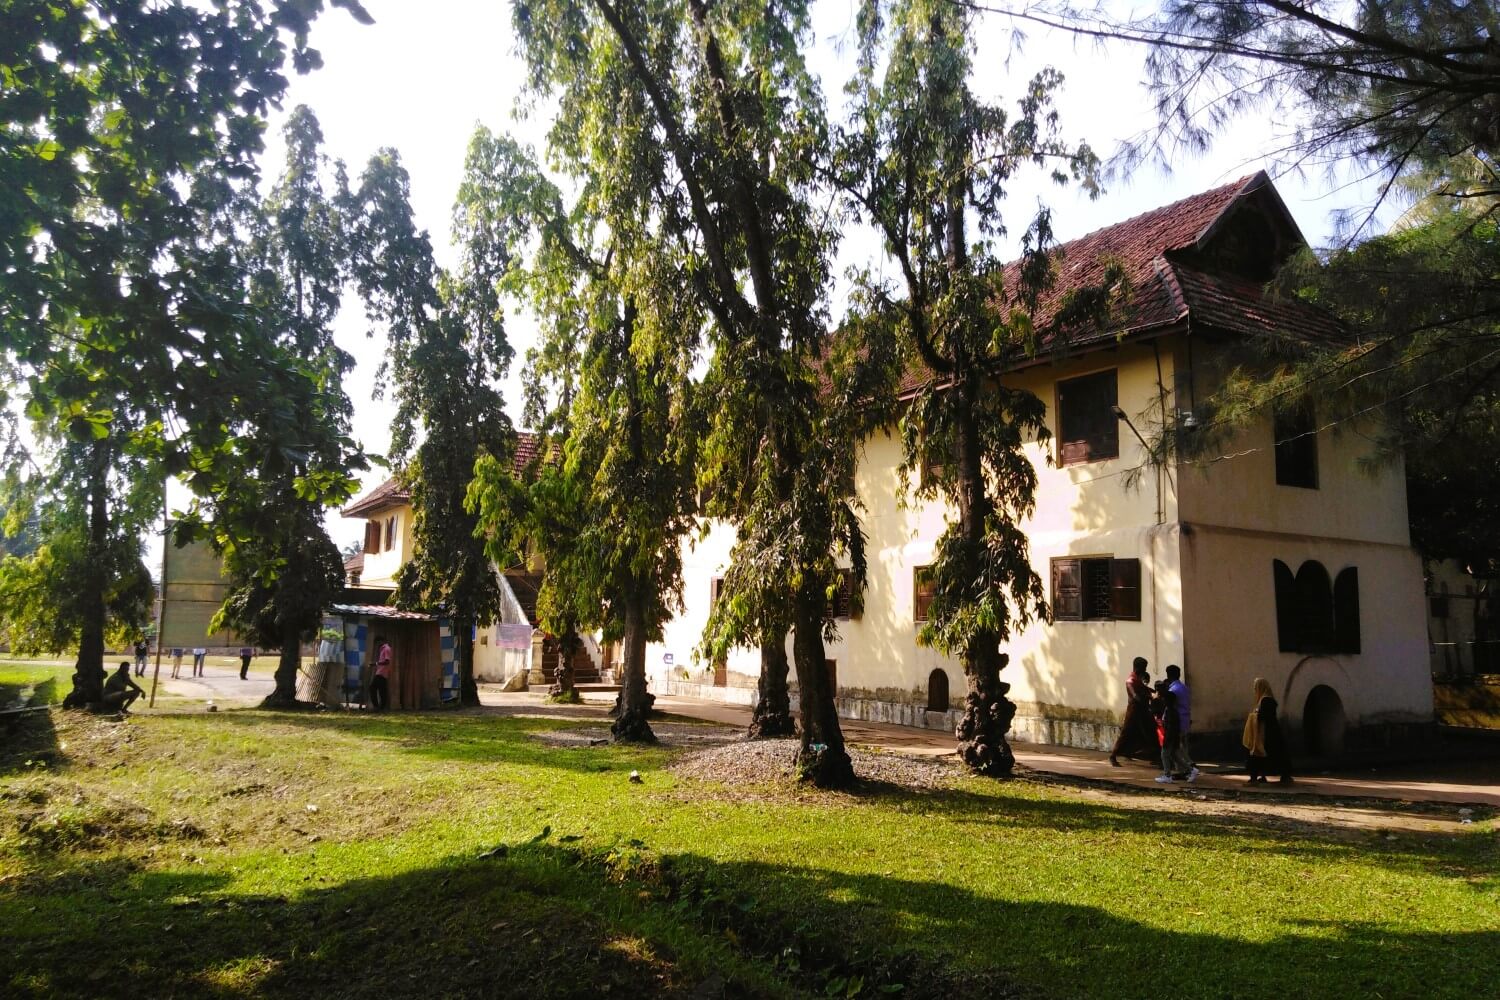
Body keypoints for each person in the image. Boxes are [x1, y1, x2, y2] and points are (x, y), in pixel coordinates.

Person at [1243, 677, 1293, 785]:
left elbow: (1264, 716)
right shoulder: (1264, 700)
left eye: (1256, 687)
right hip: (1265, 732)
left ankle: (1256, 778)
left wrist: (1253, 716)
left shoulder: (1266, 700)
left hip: (1268, 734)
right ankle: (1262, 776)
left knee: (1262, 754)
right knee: (1266, 755)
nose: (1255, 689)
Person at [1110, 656, 1155, 767]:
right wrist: (1149, 697)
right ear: (1138, 667)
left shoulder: (1137, 679)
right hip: (1134, 711)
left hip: (1142, 710)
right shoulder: (1131, 681)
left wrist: (1154, 692)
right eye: (1144, 667)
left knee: (1148, 732)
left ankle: (1152, 756)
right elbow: (1135, 696)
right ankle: (1113, 756)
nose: (1145, 670)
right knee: (1126, 733)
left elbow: (1145, 689)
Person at [1164, 664, 1199, 782]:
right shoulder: (1184, 687)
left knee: (1176, 749)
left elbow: (1170, 706)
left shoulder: (1173, 690)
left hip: (1176, 722)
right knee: (1181, 746)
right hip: (1185, 719)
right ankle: (1186, 770)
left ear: (1168, 675)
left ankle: (1188, 768)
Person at [369, 636, 393, 711]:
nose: (377, 644)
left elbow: (387, 661)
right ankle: (381, 708)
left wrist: (375, 663)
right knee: (382, 690)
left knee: (372, 688)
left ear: (382, 641)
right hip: (382, 672)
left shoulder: (386, 649)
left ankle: (377, 707)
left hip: (381, 672)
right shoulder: (383, 649)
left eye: (378, 642)